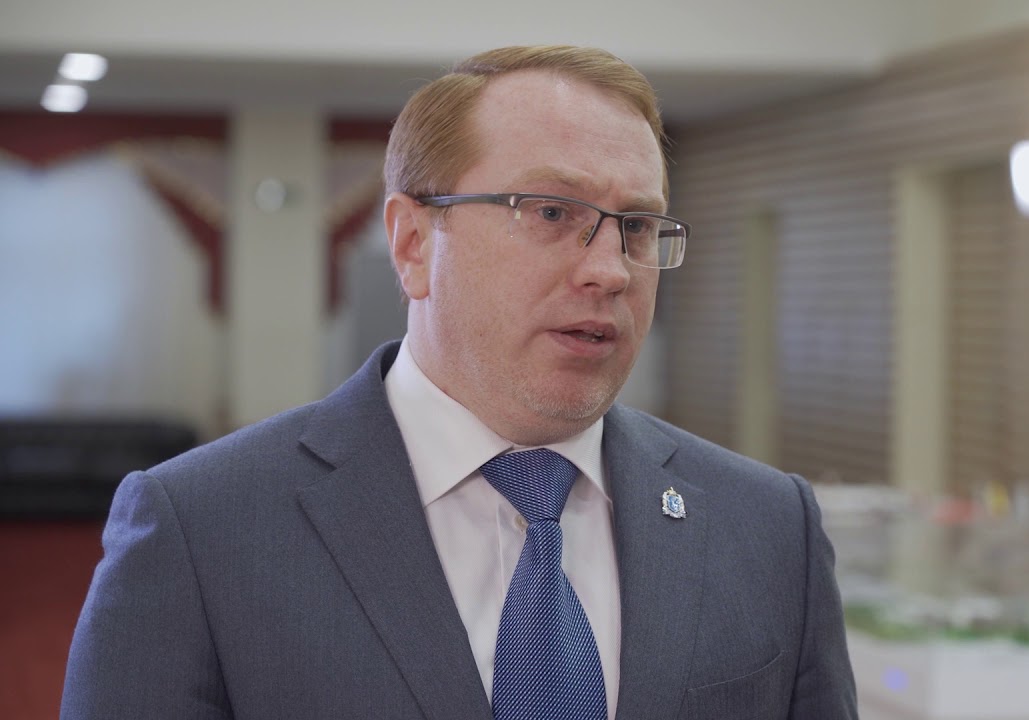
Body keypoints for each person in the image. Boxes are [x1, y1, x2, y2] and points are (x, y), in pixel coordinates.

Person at [61, 45, 858, 720]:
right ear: (413, 243)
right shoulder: (202, 530)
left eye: (638, 227)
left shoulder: (768, 526)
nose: (610, 270)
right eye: (552, 212)